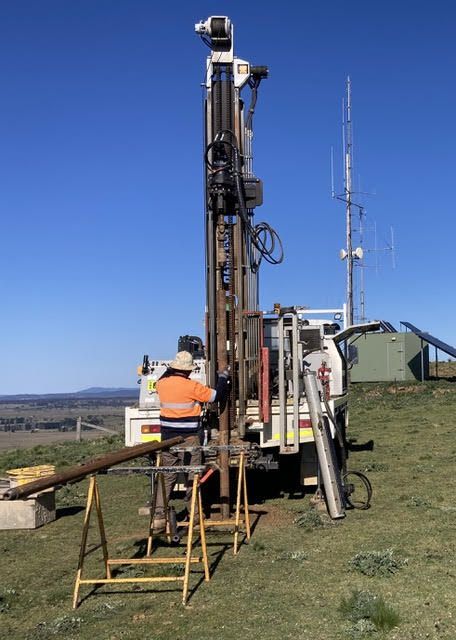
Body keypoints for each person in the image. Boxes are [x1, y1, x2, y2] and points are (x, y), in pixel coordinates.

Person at [153, 351, 229, 531]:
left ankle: (158, 517)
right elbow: (216, 396)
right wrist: (223, 378)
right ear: (188, 371)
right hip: (189, 438)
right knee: (192, 477)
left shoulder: (161, 384)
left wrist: (169, 370)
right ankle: (194, 514)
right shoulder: (192, 387)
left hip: (167, 440)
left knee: (168, 476)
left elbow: (164, 379)